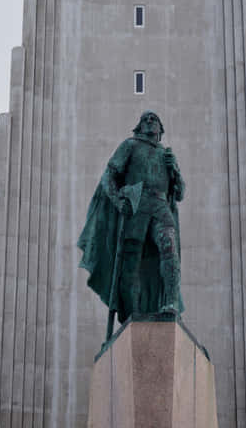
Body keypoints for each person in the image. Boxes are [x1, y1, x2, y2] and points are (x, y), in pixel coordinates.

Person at [78, 111, 185, 323]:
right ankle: (132, 312)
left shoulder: (166, 155)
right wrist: (118, 201)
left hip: (161, 206)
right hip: (137, 205)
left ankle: (170, 303)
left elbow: (180, 193)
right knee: (131, 261)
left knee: (169, 248)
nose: (150, 121)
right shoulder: (130, 145)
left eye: (154, 119)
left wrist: (176, 172)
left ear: (161, 129)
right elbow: (109, 175)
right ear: (139, 127)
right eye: (145, 119)